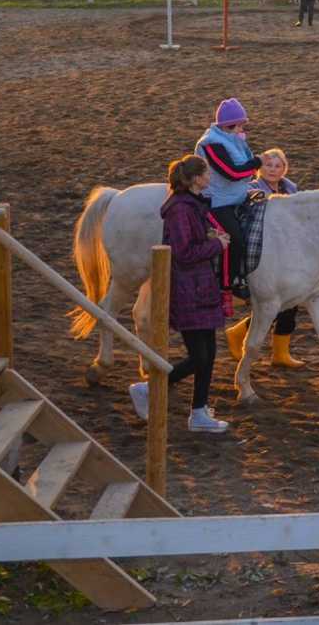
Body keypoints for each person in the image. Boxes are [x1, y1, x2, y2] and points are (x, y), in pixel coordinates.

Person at [130, 155, 230, 433]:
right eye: (206, 173)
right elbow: (184, 253)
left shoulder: (191, 206)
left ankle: (199, 411)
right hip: (188, 288)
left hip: (199, 286)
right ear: (196, 179)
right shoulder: (180, 210)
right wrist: (216, 246)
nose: (210, 177)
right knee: (200, 355)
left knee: (208, 353)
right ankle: (147, 389)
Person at [223, 148, 309, 367]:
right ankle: (239, 334)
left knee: (291, 301)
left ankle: (280, 353)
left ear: (284, 169)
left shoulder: (291, 188)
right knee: (276, 302)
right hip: (263, 252)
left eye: (277, 166)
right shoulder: (251, 188)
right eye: (269, 165)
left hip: (287, 252)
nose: (273, 169)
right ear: (260, 168)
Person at [195, 98, 261, 299]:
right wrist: (257, 162)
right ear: (229, 125)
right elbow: (231, 172)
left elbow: (246, 167)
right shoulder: (211, 144)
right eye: (239, 124)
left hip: (237, 196)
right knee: (234, 238)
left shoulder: (235, 139)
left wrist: (254, 164)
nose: (242, 128)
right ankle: (229, 282)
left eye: (242, 124)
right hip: (217, 201)